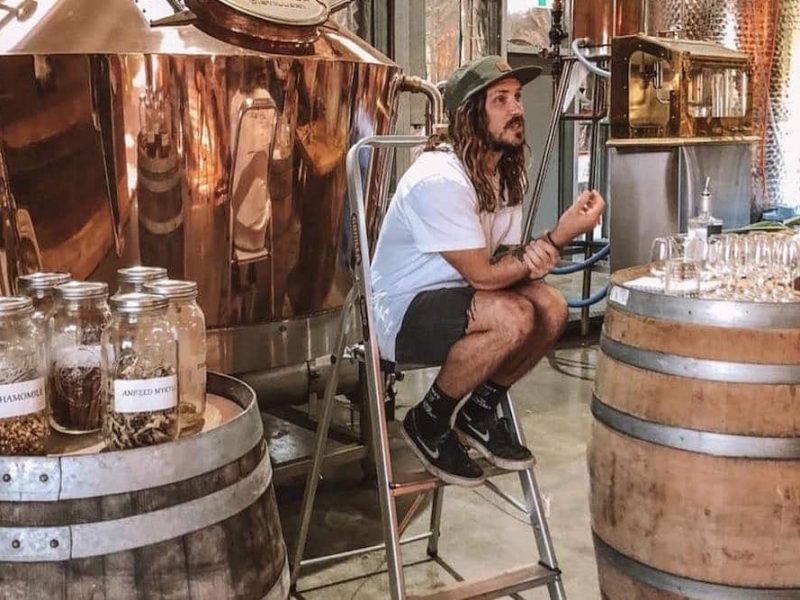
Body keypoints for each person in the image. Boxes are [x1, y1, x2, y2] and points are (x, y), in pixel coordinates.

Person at [370, 55, 605, 487]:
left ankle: (478, 412)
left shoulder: (503, 174)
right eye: (500, 100)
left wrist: (542, 253)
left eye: (516, 98)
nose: (516, 109)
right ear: (469, 115)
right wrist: (556, 237)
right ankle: (429, 420)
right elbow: (483, 274)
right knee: (513, 317)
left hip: (463, 295)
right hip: (402, 313)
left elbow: (507, 260)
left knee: (552, 307)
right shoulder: (440, 178)